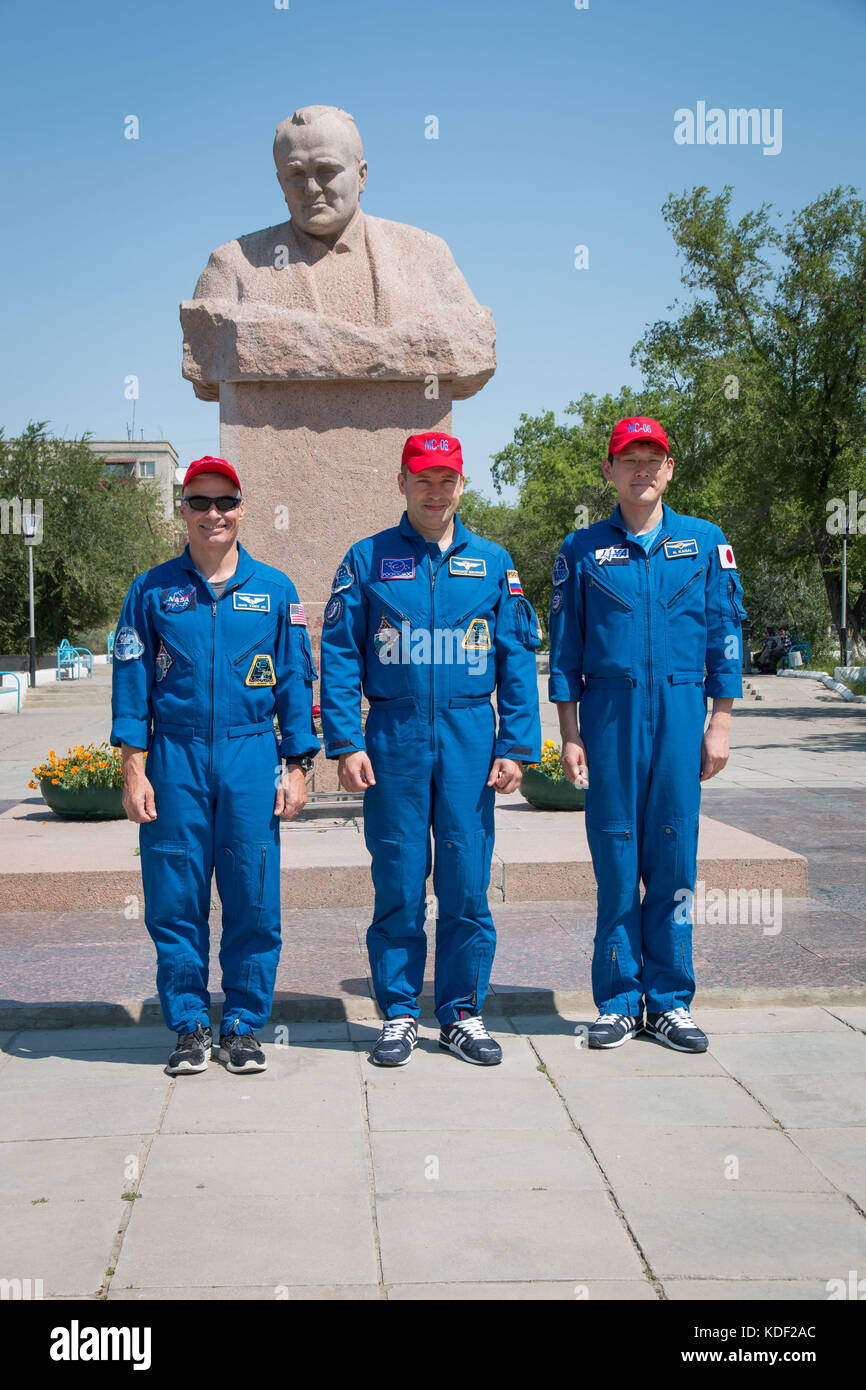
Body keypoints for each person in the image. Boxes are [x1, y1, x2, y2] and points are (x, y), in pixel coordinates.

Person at [320, 432, 542, 1066]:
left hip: (471, 737)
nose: (435, 491)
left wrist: (517, 744)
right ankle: (397, 1013)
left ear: (461, 486)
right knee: (397, 876)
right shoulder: (366, 559)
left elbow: (516, 659)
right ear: (402, 483)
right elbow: (338, 655)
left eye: (446, 480)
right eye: (423, 479)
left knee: (467, 881)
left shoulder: (494, 561)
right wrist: (345, 739)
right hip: (393, 736)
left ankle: (463, 1012)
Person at [110, 456, 319, 1075]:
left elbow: (294, 683)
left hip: (250, 755)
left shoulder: (274, 590)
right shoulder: (151, 590)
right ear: (183, 511)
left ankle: (245, 1026)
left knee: (254, 898)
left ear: (241, 507)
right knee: (175, 899)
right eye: (199, 503)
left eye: (224, 501)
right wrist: (133, 766)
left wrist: (298, 764)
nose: (213, 514)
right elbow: (131, 684)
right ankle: (190, 1025)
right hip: (174, 758)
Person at [548, 417, 746, 1053]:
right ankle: (617, 999)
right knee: (615, 860)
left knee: (675, 860)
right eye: (627, 459)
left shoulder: (705, 542)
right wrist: (570, 733)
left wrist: (720, 721)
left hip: (683, 712)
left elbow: (725, 634)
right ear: (608, 470)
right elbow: (565, 651)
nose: (641, 469)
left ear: (669, 469)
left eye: (652, 459)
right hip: (609, 717)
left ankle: (669, 1000)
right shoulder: (580, 551)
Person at [181, 105, 494, 403]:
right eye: (296, 174)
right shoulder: (233, 265)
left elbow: (470, 339)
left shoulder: (426, 256)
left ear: (361, 175)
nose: (312, 187)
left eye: (326, 170)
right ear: (280, 182)